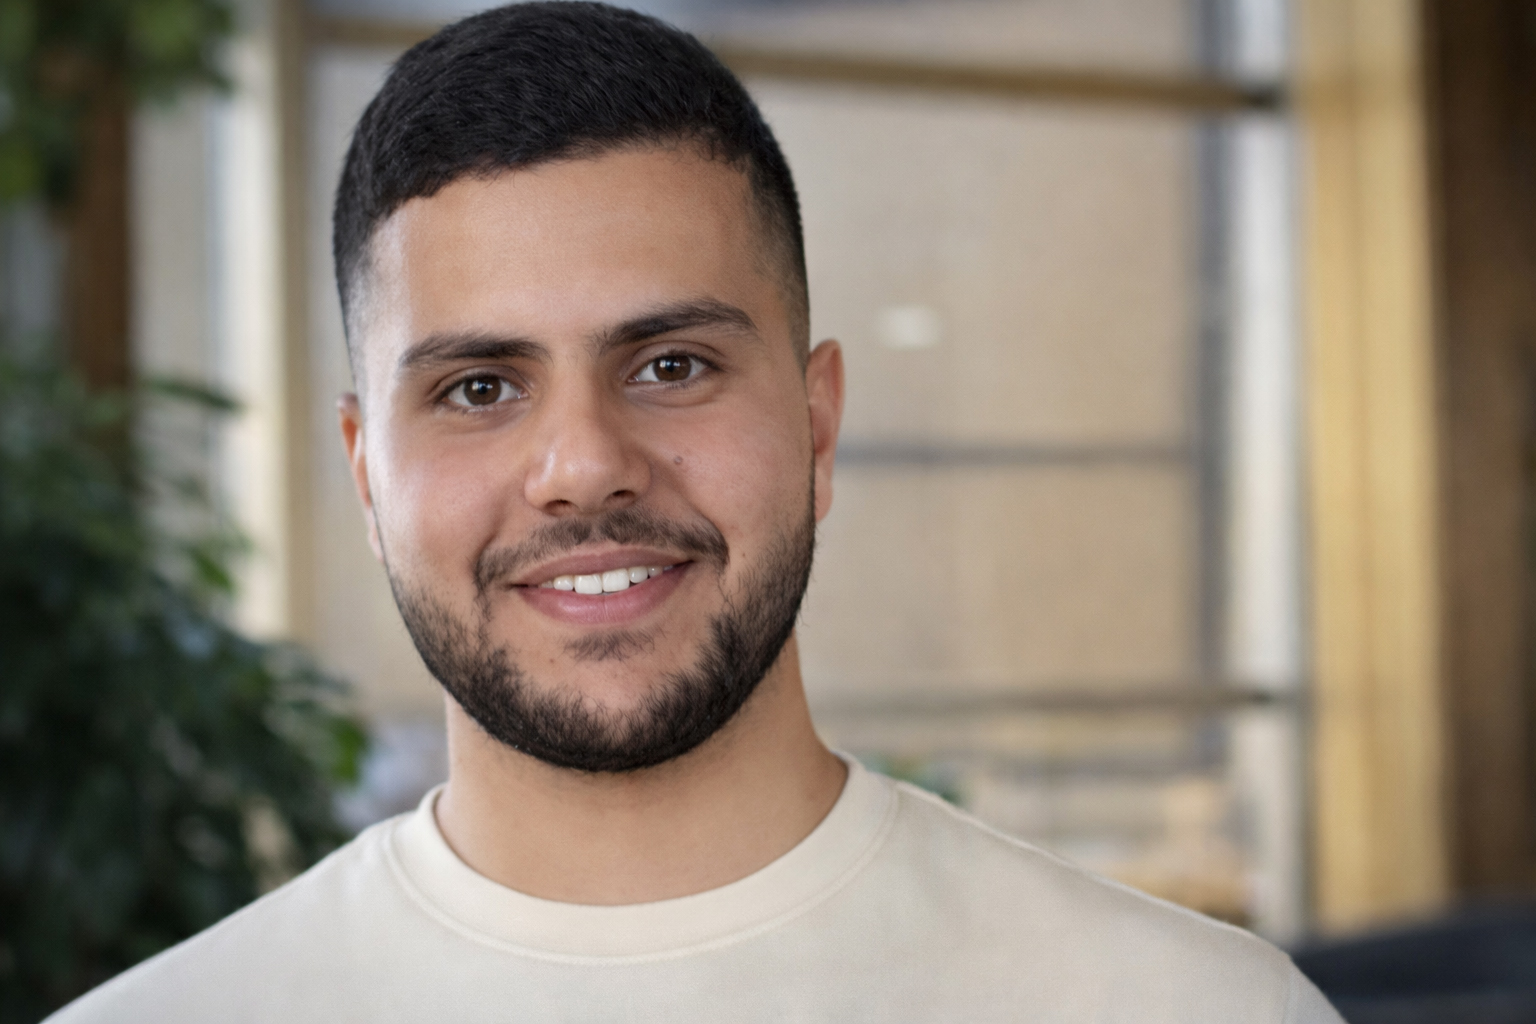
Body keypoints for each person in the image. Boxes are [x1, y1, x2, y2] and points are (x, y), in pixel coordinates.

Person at [51, 3, 1343, 1021]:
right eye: (480, 387)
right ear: (367, 474)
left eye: (671, 365)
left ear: (817, 425)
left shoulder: (1193, 1009)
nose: (583, 466)